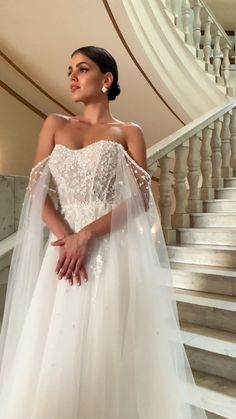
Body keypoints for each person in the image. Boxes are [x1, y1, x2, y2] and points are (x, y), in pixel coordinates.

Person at [0, 46, 207, 418]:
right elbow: (36, 189)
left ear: (106, 79)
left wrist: (87, 235)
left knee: (105, 344)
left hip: (109, 248)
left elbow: (140, 202)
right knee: (56, 343)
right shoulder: (55, 123)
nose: (72, 78)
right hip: (62, 251)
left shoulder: (129, 132)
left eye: (82, 69)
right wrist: (67, 237)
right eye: (70, 71)